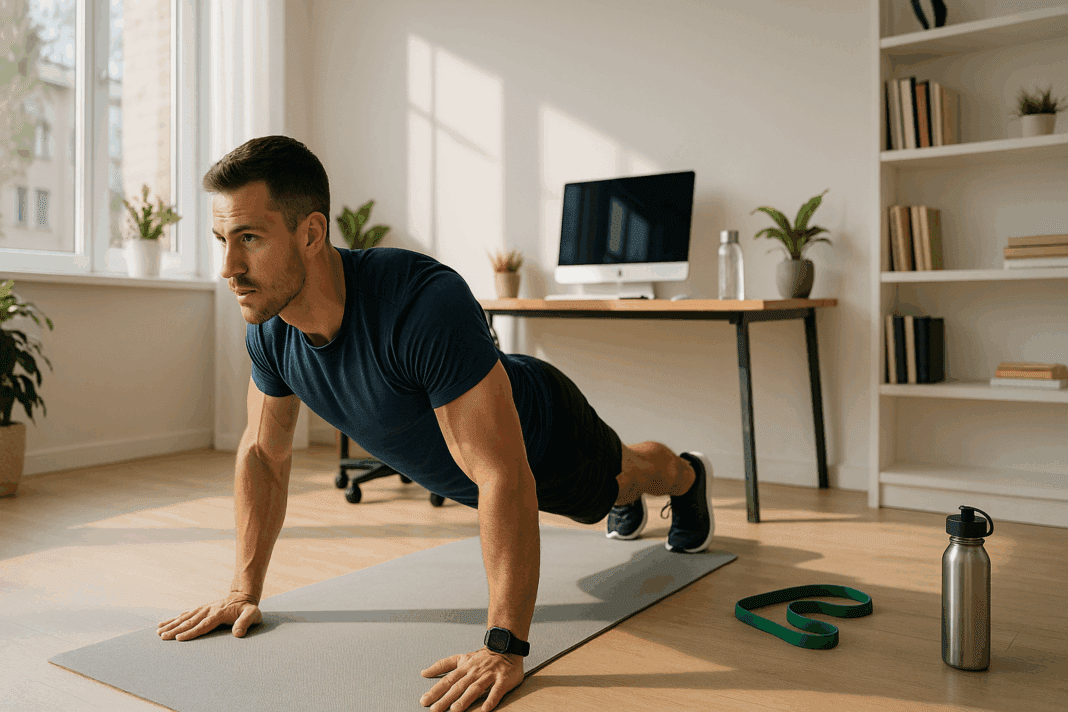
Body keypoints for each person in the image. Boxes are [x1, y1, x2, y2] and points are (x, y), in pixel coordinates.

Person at [155, 135, 715, 712]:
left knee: (619, 481)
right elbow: (262, 455)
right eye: (222, 239)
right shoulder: (270, 331)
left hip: (546, 431)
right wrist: (242, 591)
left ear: (311, 234)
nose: (229, 267)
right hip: (484, 454)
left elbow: (501, 473)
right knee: (605, 489)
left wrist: (504, 646)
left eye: (249, 239)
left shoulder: (420, 303)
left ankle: (686, 476)